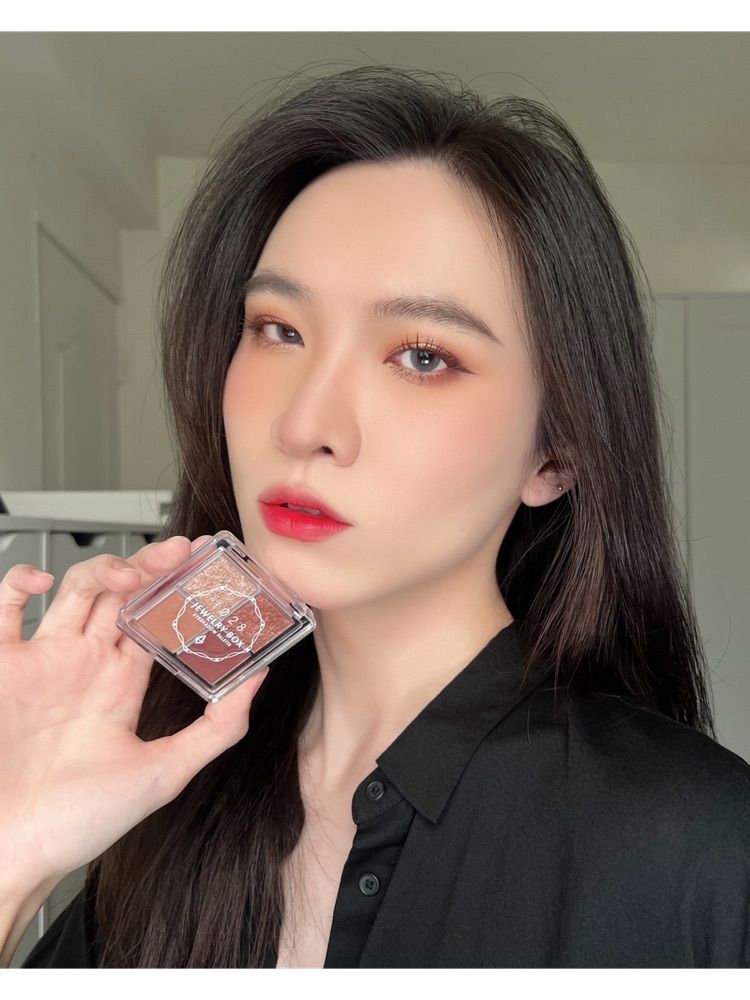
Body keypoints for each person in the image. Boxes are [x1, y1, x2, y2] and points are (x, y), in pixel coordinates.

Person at [2, 63, 749, 970]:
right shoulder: (167, 801)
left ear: (555, 453)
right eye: (278, 329)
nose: (304, 424)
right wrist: (19, 843)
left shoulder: (702, 852)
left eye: (423, 356)